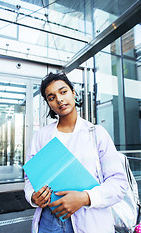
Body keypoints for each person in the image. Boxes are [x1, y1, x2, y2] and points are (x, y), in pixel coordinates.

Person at [24, 72, 128, 233]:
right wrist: (32, 195)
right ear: (49, 104)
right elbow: (30, 177)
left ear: (73, 92)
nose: (59, 99)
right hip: (49, 221)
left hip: (90, 219)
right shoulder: (41, 136)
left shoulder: (97, 134)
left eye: (63, 91)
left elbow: (118, 183)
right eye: (51, 97)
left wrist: (85, 198)